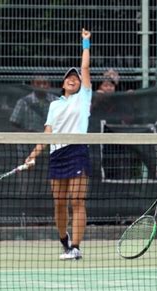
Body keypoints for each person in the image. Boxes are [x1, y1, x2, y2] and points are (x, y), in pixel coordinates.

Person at [25, 29, 93, 259]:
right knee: (59, 203)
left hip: (77, 151)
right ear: (63, 84)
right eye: (69, 78)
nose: (73, 79)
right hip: (57, 155)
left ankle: (76, 246)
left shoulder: (84, 97)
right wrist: (33, 154)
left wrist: (85, 43)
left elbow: (85, 68)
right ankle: (65, 242)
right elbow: (48, 133)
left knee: (77, 200)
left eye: (76, 77)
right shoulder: (54, 106)